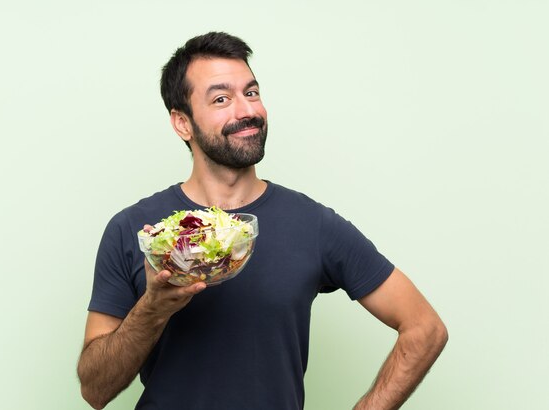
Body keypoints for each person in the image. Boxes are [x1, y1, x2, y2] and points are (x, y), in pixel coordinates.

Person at [77, 31, 448, 410]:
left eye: (251, 93)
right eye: (221, 99)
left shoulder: (313, 224)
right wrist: (152, 307)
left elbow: (425, 328)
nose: (246, 111)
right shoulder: (136, 231)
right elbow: (94, 390)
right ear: (182, 123)